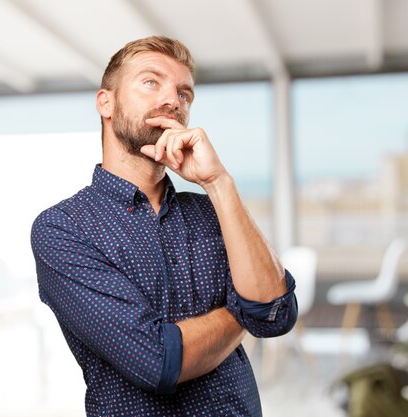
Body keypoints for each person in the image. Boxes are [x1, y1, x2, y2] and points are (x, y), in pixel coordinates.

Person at [31, 35, 297, 417]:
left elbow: (275, 313)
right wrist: (240, 312)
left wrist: (218, 182)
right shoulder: (63, 228)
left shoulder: (213, 211)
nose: (172, 100)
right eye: (151, 82)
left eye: (184, 93)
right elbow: (157, 360)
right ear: (105, 102)